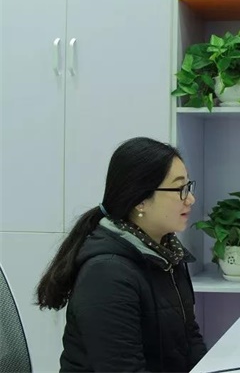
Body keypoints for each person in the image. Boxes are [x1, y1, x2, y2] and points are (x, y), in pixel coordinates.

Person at [36, 137, 208, 372]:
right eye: (180, 189)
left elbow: (190, 340)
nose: (190, 199)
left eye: (188, 187)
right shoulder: (106, 274)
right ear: (140, 201)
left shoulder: (168, 255)